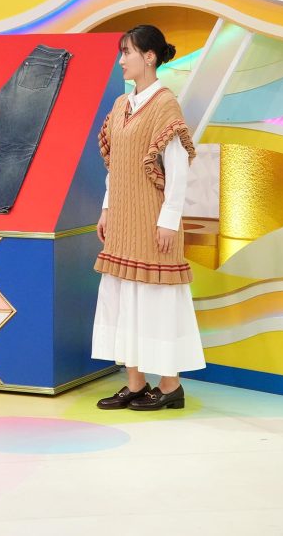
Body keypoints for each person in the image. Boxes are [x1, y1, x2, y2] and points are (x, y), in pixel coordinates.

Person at [92, 24, 205, 411]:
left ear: (149, 57)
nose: (121, 60)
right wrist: (107, 208)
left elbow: (178, 169)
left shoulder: (164, 105)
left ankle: (170, 386)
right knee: (125, 297)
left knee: (155, 299)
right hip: (123, 218)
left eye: (127, 52)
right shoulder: (121, 105)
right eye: (121, 52)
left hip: (153, 219)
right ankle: (136, 383)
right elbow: (116, 166)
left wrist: (169, 221)